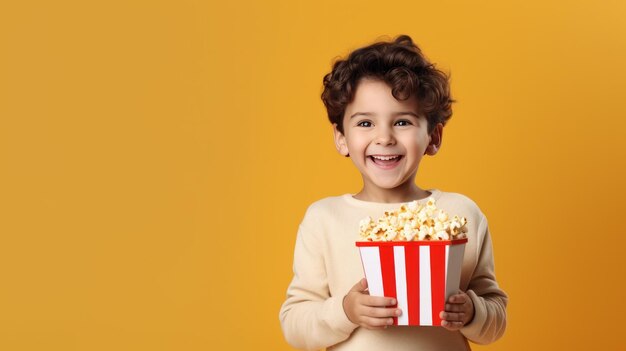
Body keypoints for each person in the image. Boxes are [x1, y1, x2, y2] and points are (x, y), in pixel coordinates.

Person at [279, 34, 507, 351]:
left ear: (433, 137)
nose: (384, 137)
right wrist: (344, 312)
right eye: (365, 123)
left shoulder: (461, 215)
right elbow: (294, 324)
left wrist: (473, 311)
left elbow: (495, 319)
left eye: (402, 122)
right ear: (341, 137)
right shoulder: (324, 220)